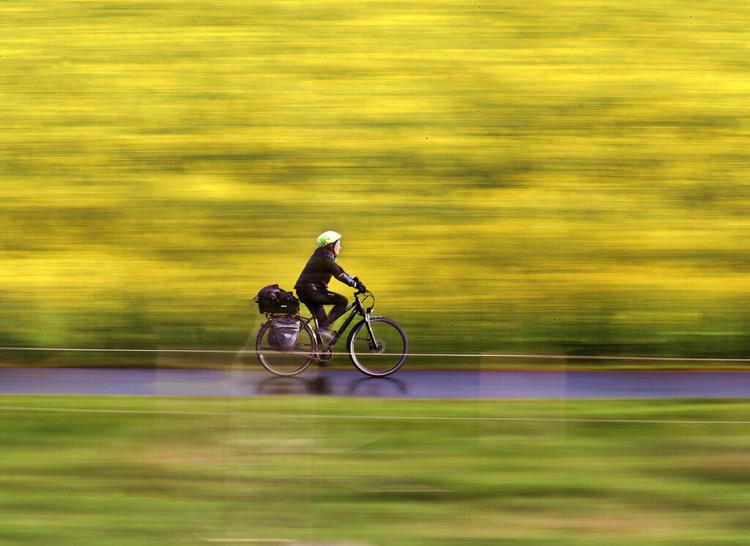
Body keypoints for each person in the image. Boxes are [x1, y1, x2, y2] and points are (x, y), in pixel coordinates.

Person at [295, 231, 366, 343]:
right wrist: (355, 285)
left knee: (322, 321)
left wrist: (353, 280)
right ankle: (322, 330)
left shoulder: (323, 255)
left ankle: (319, 354)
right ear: (330, 245)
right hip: (311, 291)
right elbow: (339, 274)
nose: (340, 247)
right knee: (342, 301)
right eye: (338, 244)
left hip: (307, 290)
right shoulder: (325, 258)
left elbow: (339, 270)